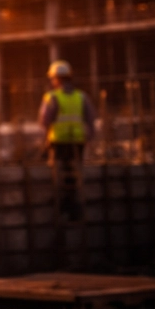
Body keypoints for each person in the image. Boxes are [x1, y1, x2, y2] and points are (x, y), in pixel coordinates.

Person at [39, 60, 95, 220]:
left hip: (58, 142)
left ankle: (63, 206)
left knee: (59, 176)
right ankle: (76, 208)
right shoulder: (81, 96)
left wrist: (46, 139)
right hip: (77, 142)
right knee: (75, 176)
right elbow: (91, 120)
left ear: (57, 79)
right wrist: (89, 137)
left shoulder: (52, 97)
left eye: (52, 78)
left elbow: (44, 120)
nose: (51, 81)